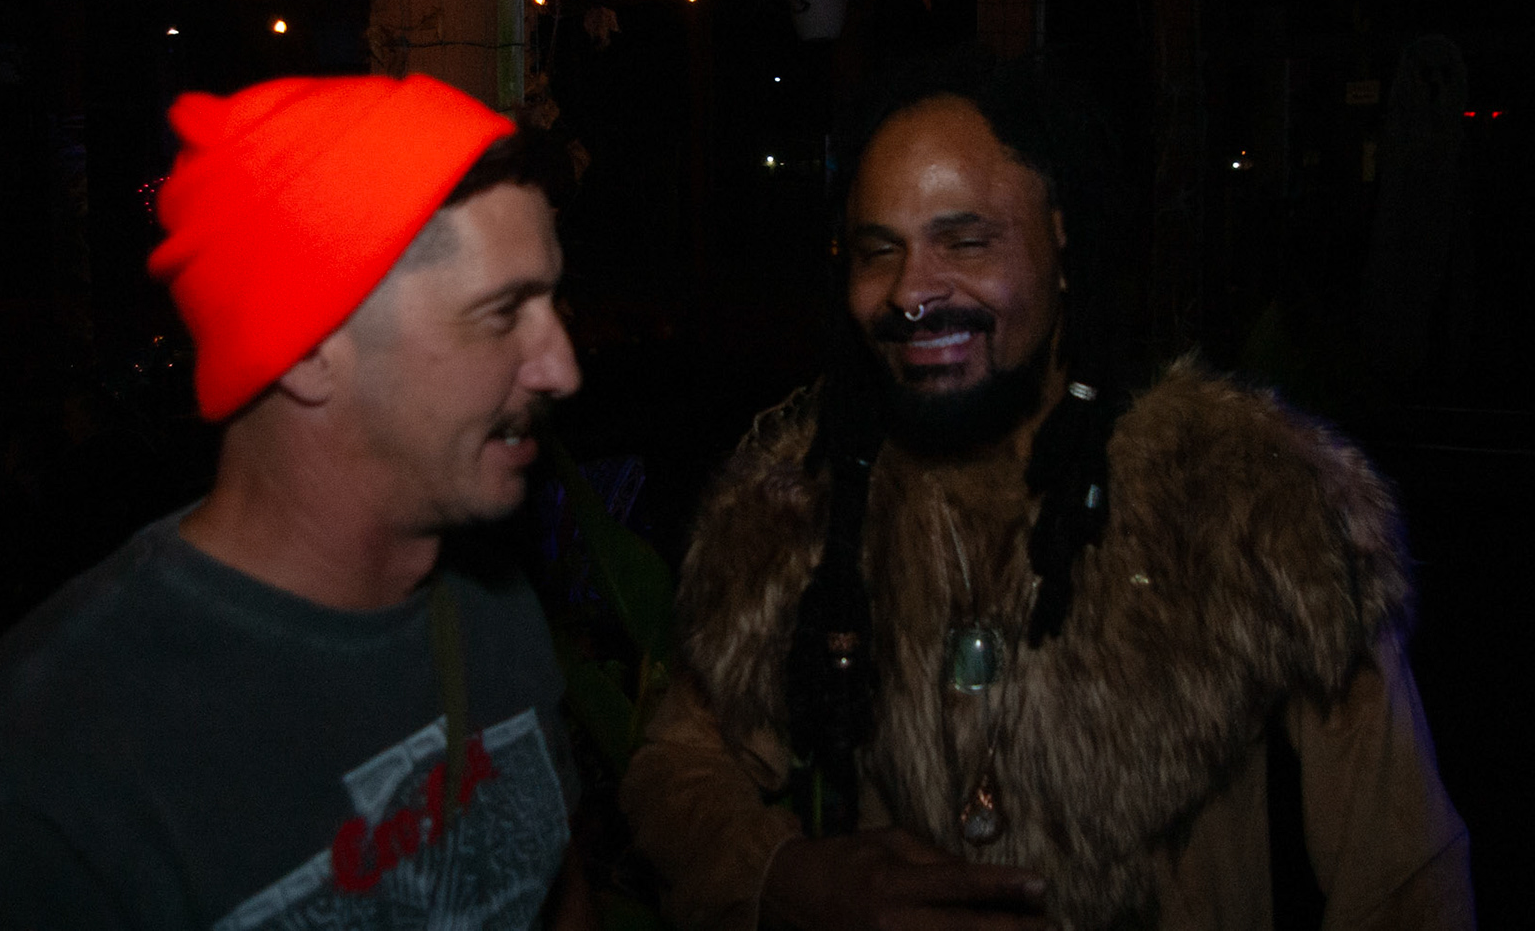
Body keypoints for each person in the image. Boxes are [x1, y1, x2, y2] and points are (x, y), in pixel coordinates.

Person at [621, 56, 1474, 930]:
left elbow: (1408, 881)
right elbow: (673, 768)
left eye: (966, 242)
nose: (911, 290)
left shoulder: (1244, 499)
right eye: (879, 250)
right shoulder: (805, 506)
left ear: (1063, 244)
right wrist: (793, 878)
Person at [0, 75, 593, 930]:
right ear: (310, 350)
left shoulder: (492, 612)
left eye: (553, 303)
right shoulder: (32, 795)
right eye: (503, 314)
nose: (562, 368)